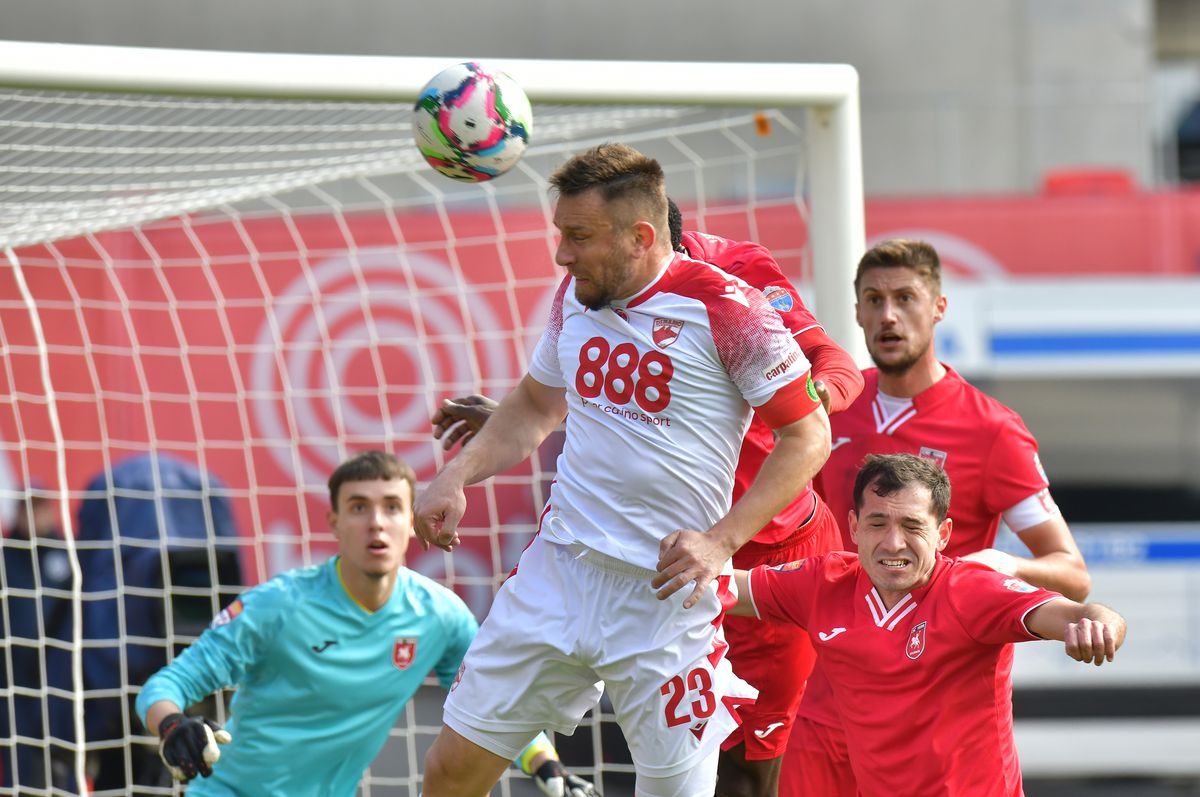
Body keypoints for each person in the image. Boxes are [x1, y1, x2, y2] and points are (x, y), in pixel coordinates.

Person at [414, 143, 832, 797]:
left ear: (642, 235)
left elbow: (809, 435)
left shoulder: (731, 308)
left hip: (664, 602)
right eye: (561, 235)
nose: (562, 254)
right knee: (448, 771)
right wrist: (458, 473)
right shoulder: (575, 298)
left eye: (578, 236)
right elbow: (534, 404)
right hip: (558, 578)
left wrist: (721, 541)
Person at [782, 238, 1092, 796]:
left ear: (939, 307)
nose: (888, 315)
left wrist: (999, 564)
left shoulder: (992, 430)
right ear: (855, 312)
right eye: (873, 300)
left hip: (936, 725)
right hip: (829, 706)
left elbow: (1072, 572)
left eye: (906, 297)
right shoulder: (831, 410)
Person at [135, 450, 595, 797]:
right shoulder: (276, 605)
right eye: (359, 507)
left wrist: (547, 767)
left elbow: (494, 701)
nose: (377, 523)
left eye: (392, 507)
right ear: (334, 521)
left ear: (412, 517)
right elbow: (164, 686)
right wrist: (174, 725)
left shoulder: (440, 615)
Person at [730, 453, 1124, 797]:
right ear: (853, 527)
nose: (893, 543)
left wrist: (1100, 625)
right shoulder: (824, 582)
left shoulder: (971, 591)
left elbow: (1081, 613)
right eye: (878, 523)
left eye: (913, 526)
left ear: (943, 534)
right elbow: (722, 588)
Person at [0, 485, 78, 792]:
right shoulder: (5, 558)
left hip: (59, 680)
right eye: (28, 508)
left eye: (40, 507)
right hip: (13, 681)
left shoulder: (69, 556)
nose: (34, 516)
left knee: (64, 757)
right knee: (20, 765)